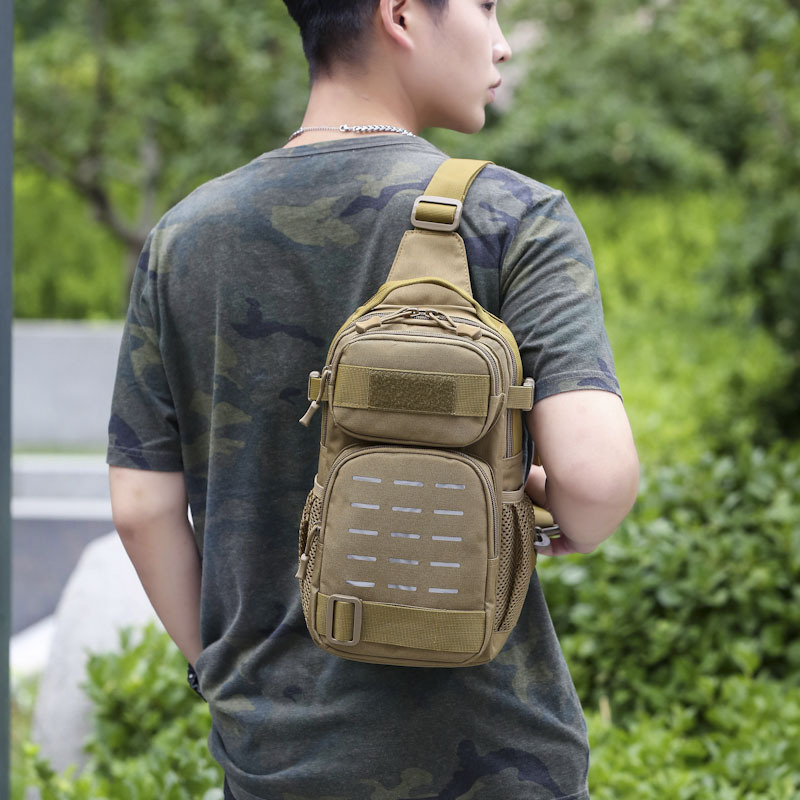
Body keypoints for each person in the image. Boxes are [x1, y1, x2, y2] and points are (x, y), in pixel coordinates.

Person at [106, 0, 640, 798]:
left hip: (278, 756)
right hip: (495, 756)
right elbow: (595, 483)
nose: (500, 45)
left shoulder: (183, 237)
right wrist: (548, 506)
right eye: (485, 7)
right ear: (400, 14)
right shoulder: (515, 218)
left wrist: (222, 678)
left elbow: (142, 507)